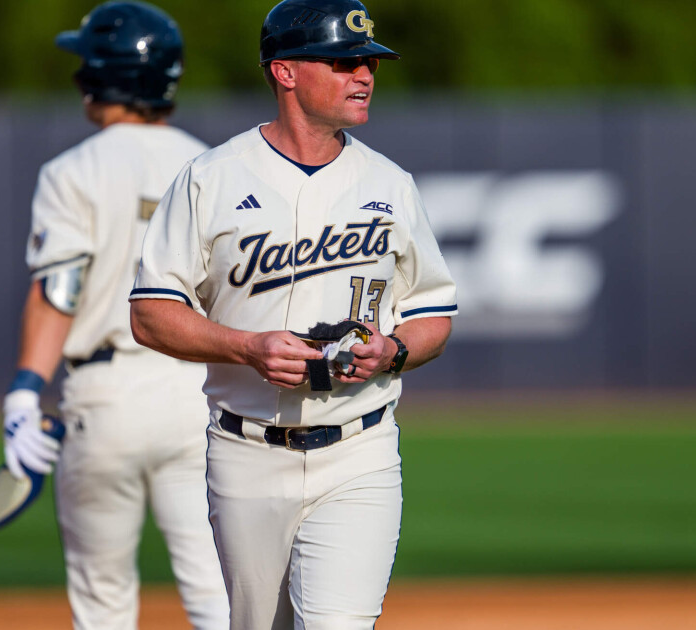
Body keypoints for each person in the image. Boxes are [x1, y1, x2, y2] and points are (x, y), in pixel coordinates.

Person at [129, 1, 458, 627]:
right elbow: (151, 312)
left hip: (359, 449)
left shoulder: (390, 184)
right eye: (342, 61)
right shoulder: (212, 178)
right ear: (284, 71)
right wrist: (245, 347)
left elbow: (433, 313)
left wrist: (395, 350)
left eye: (368, 62)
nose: (363, 74)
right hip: (244, 449)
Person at [1, 3, 228, 628]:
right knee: (220, 596)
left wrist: (25, 392)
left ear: (102, 76)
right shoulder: (215, 165)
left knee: (102, 604)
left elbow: (59, 289)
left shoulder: (71, 171)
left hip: (104, 397)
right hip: (197, 392)